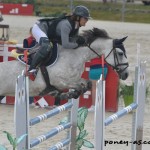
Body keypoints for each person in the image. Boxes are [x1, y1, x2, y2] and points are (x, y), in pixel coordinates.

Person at [28, 5, 91, 74]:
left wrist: (80, 41)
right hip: (39, 28)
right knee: (46, 46)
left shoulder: (76, 26)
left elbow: (72, 40)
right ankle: (31, 68)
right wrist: (77, 44)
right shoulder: (66, 25)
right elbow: (65, 44)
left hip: (47, 32)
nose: (87, 20)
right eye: (85, 18)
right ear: (78, 17)